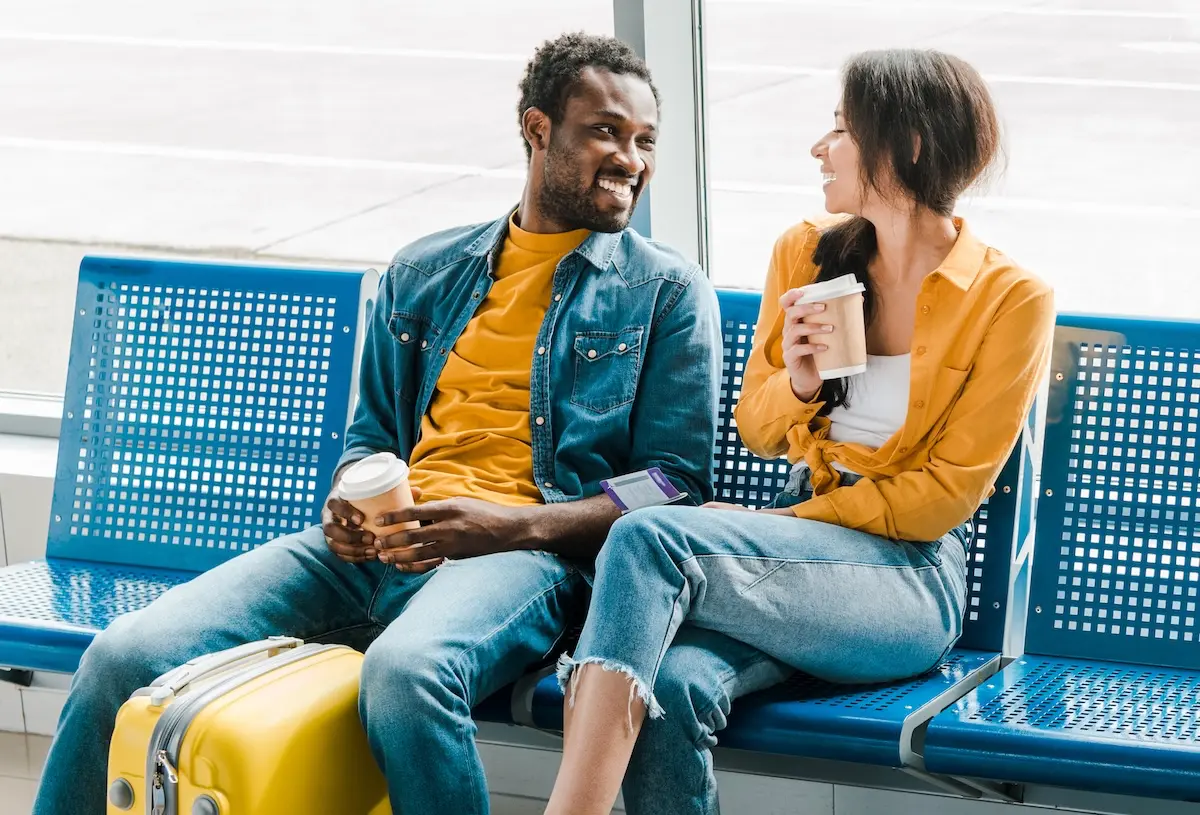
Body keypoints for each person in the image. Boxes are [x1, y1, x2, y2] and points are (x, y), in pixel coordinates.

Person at [33, 32, 722, 815]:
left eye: (645, 140)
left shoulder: (665, 291)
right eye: (605, 131)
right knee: (122, 654)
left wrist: (506, 525)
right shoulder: (425, 271)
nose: (630, 157)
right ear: (538, 130)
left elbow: (673, 484)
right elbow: (370, 439)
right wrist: (348, 505)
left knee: (405, 673)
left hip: (523, 558)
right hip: (371, 551)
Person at [544, 48, 1055, 815]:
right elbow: (757, 426)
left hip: (906, 582)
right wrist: (804, 383)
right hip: (792, 562)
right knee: (675, 687)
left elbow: (940, 501)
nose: (820, 147)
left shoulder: (1009, 298)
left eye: (842, 129)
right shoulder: (807, 252)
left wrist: (775, 522)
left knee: (649, 538)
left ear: (907, 145)